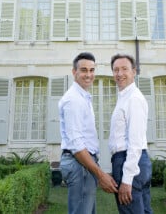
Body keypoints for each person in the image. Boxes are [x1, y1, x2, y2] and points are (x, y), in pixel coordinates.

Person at [59, 52, 118, 214]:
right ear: (74, 72)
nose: (89, 75)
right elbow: (76, 145)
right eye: (84, 70)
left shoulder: (82, 97)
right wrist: (100, 175)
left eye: (92, 70)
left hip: (83, 164)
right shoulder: (74, 100)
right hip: (80, 164)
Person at [109, 53, 152, 214]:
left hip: (129, 161)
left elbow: (135, 142)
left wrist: (127, 180)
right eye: (116, 70)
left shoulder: (133, 98)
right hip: (135, 162)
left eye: (124, 69)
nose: (119, 74)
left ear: (134, 72)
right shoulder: (125, 97)